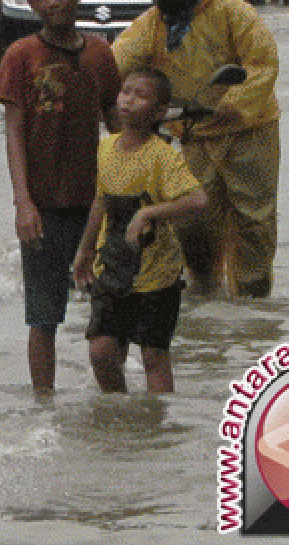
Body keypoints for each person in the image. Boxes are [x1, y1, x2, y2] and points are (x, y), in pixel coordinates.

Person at [113, 0, 280, 299]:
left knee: (254, 219)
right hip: (193, 133)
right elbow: (120, 58)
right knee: (193, 223)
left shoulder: (236, 14)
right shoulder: (153, 24)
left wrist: (232, 104)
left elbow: (262, 67)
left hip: (249, 133)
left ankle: (253, 299)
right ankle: (204, 291)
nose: (154, 0)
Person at [0, 0, 121, 398]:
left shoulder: (101, 56)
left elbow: (120, 132)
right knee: (43, 318)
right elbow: (13, 132)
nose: (51, 2)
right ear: (30, 3)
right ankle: (44, 408)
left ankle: (114, 406)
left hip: (95, 208)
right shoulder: (21, 56)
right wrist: (22, 203)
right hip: (44, 208)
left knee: (109, 315)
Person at [73, 69, 208, 393]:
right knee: (101, 350)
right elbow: (100, 201)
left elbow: (197, 200)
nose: (128, 99)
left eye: (140, 95)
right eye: (125, 91)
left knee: (153, 356)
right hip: (112, 269)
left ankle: (155, 430)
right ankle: (119, 418)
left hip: (158, 276)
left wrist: (149, 212)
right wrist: (85, 249)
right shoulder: (105, 149)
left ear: (159, 112)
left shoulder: (162, 157)